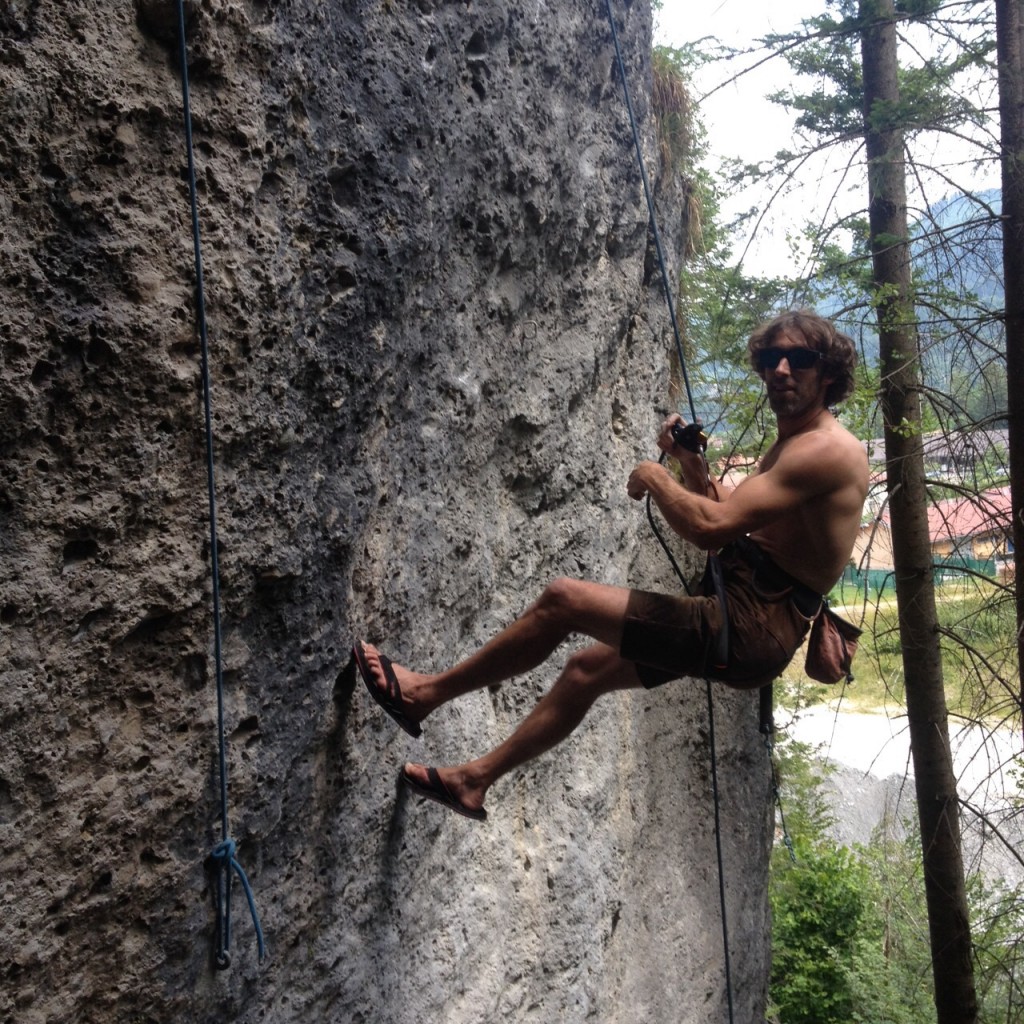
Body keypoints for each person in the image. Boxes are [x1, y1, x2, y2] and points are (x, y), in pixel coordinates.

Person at [353, 310, 869, 821]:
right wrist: (690, 467)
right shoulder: (795, 443)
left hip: (751, 626)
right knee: (585, 671)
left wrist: (653, 474)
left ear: (827, 373)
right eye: (772, 358)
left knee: (563, 601)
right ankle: (471, 782)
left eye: (798, 358)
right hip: (744, 619)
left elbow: (710, 528)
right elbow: (727, 514)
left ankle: (421, 695)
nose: (781, 369)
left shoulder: (825, 450)